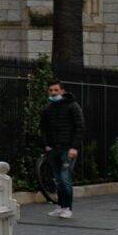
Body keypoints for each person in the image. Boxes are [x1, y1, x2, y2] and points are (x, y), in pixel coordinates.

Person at [40, 80, 84, 219]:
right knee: (58, 179)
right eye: (51, 90)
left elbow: (80, 127)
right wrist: (46, 144)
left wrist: (74, 147)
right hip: (53, 149)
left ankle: (67, 207)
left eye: (56, 90)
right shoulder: (48, 108)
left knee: (65, 178)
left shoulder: (73, 106)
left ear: (62, 91)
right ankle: (60, 205)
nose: (53, 93)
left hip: (67, 148)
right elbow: (44, 128)